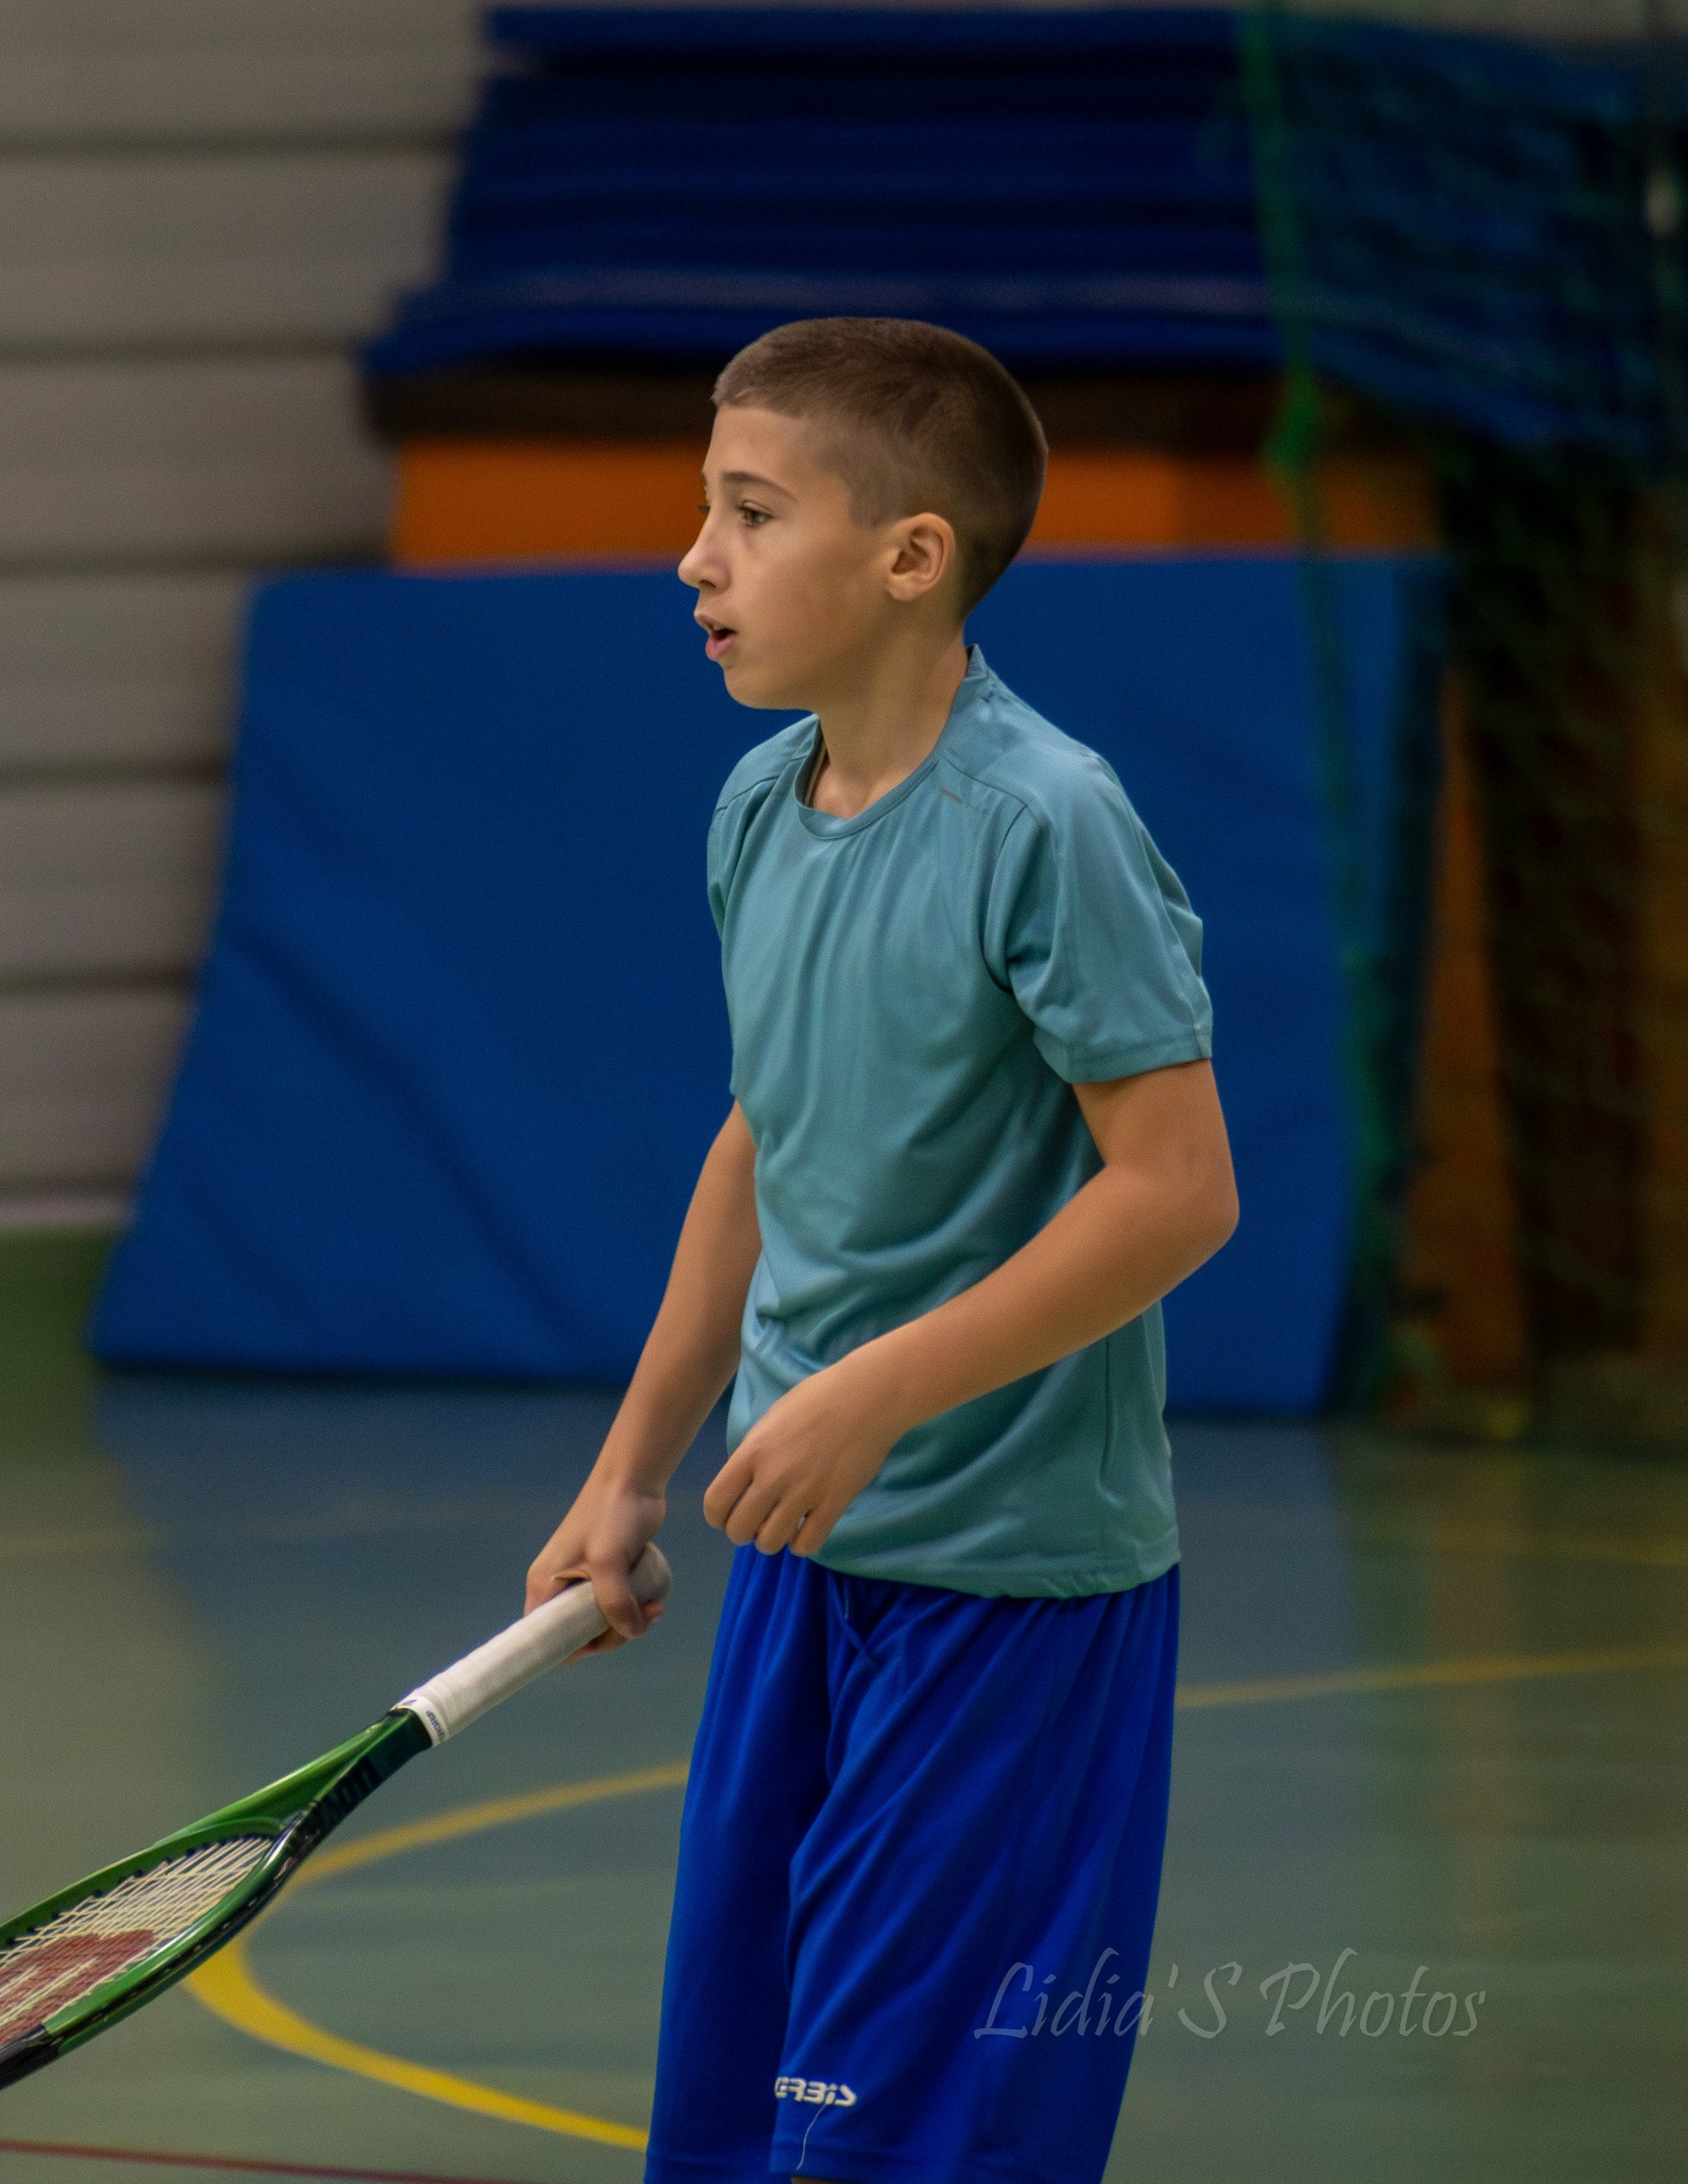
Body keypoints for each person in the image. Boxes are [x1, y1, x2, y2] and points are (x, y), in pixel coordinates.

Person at [526, 315, 1238, 2184]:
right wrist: (629, 1474)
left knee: (897, 2139)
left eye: (748, 514)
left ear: (908, 555)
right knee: (731, 2116)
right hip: (793, 1566)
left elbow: (1174, 1191)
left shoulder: (1046, 823)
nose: (694, 558)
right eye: (703, 510)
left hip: (1004, 1596)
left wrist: (872, 1394)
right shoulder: (760, 805)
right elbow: (764, 1142)